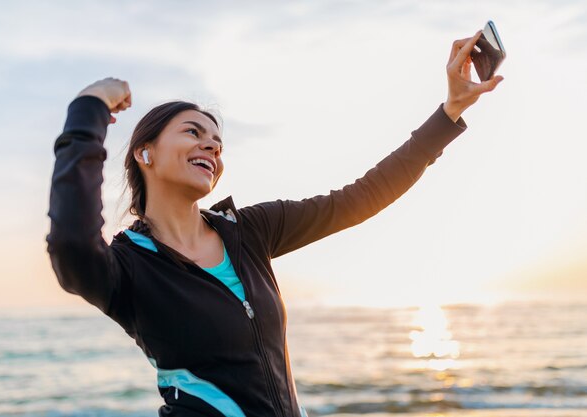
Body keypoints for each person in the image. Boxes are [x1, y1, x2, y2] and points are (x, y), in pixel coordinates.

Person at [46, 30, 502, 417]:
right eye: (193, 132)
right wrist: (89, 111)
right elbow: (71, 241)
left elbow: (360, 198)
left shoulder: (249, 232)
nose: (211, 147)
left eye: (217, 142)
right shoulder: (127, 270)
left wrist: (450, 113)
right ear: (145, 153)